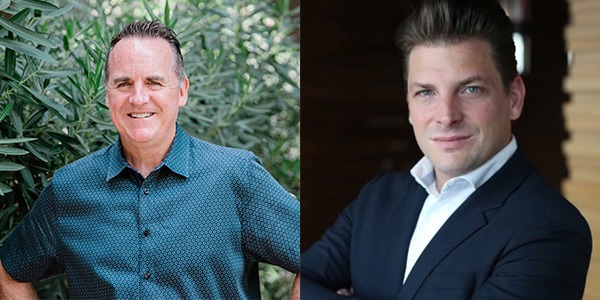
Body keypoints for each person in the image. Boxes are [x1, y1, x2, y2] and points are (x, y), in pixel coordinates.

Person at [300, 0, 592, 298]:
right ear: (410, 105)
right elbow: (301, 284)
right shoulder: (377, 198)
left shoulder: (550, 229)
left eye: (470, 89)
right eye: (426, 92)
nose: (446, 115)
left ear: (514, 98)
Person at [0, 20, 300, 299]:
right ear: (107, 95)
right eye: (123, 83)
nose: (138, 97)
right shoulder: (70, 189)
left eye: (154, 82)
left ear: (181, 90)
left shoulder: (235, 177)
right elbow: (8, 271)